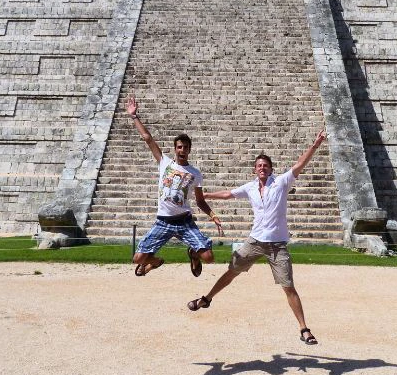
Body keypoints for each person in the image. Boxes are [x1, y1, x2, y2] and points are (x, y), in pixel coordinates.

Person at [186, 130, 327, 346]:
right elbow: (227, 194)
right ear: (255, 169)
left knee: (288, 286)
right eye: (259, 165)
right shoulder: (250, 187)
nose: (262, 168)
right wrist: (204, 195)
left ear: (271, 169)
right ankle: (206, 299)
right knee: (231, 271)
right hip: (254, 242)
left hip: (277, 246)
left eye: (266, 165)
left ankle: (304, 329)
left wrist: (315, 145)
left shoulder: (281, 183)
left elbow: (300, 164)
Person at [127, 95, 223, 277]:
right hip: (163, 221)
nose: (182, 150)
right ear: (175, 148)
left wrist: (213, 216)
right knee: (138, 258)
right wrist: (134, 116)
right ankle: (155, 262)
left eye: (185, 147)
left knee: (209, 257)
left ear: (189, 150)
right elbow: (148, 138)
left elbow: (200, 201)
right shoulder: (165, 162)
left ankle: (193, 255)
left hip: (184, 221)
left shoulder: (195, 173)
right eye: (179, 147)